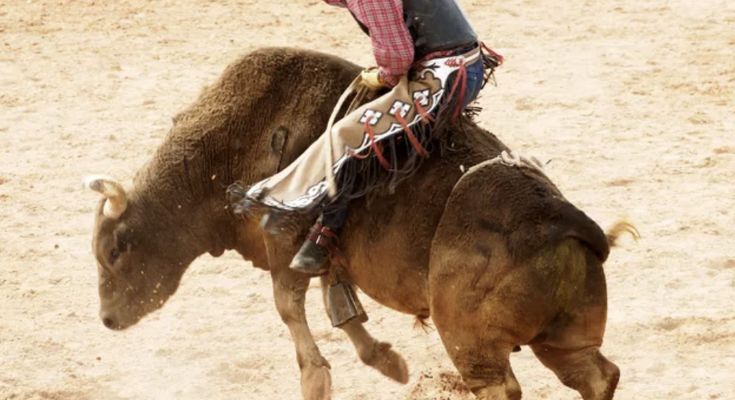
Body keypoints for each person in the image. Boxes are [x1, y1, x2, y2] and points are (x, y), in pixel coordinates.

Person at [236, 0, 502, 276]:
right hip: (454, 63)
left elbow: (398, 58)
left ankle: (326, 232)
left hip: (443, 76)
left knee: (347, 134)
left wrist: (384, 76)